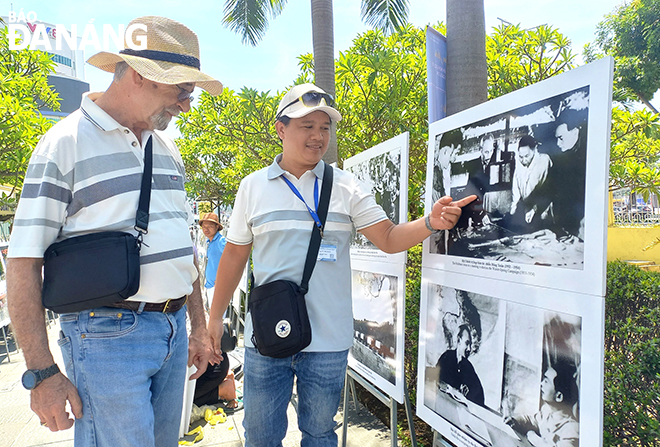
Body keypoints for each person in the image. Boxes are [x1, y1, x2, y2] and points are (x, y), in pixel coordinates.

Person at [206, 83, 475, 447]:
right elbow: (235, 256)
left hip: (327, 342)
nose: (318, 136)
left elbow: (390, 238)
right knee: (260, 437)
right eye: (308, 126)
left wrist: (431, 222)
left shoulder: (346, 187)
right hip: (266, 337)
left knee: (320, 436)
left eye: (325, 128)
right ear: (281, 128)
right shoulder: (253, 187)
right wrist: (213, 319)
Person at [6, 16, 222, 447]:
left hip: (173, 328)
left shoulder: (168, 148)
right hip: (105, 335)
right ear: (140, 75)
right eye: (181, 91)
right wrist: (42, 372)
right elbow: (24, 260)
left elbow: (183, 251)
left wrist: (197, 326)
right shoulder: (63, 143)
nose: (186, 106)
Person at [505, 360, 580, 447]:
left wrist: (532, 436)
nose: (541, 384)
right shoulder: (546, 411)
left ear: (558, 396)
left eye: (546, 381)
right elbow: (533, 421)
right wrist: (515, 421)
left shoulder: (571, 429)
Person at [509, 135, 552, 231]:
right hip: (526, 213)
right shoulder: (519, 166)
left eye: (526, 156)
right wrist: (512, 213)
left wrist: (535, 209)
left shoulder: (544, 160)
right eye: (521, 157)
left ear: (534, 149)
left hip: (542, 211)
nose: (524, 160)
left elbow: (547, 190)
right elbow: (515, 194)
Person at [437, 324, 485, 406]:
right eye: (467, 343)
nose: (469, 349)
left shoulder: (468, 366)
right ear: (459, 341)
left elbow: (479, 396)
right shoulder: (446, 358)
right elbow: (437, 381)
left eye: (470, 345)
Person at [199, 212, 227, 310]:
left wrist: (223, 279)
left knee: (218, 319)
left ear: (216, 227)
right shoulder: (209, 242)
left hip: (219, 287)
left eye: (210, 226)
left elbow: (232, 260)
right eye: (204, 226)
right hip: (211, 285)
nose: (206, 229)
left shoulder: (221, 241)